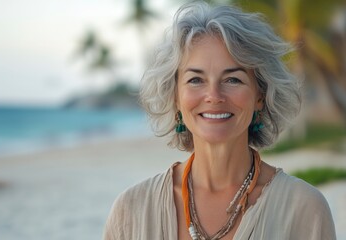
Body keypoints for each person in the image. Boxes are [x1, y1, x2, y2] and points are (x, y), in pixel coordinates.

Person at [103, 2, 336, 240]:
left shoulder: (304, 209)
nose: (214, 96)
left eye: (233, 79)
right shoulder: (131, 211)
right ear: (175, 97)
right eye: (196, 80)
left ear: (260, 95)